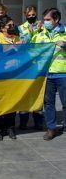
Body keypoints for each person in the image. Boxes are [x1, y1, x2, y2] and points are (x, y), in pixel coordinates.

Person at [30, 8, 66, 140]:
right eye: (44, 20)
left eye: (48, 20)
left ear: (56, 20)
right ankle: (51, 129)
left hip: (63, 73)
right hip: (46, 75)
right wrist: (34, 33)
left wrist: (65, 44)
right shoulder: (40, 33)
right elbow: (31, 48)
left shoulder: (65, 32)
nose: (45, 22)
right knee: (48, 103)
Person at [0, 16, 20, 140]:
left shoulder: (16, 38)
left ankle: (10, 127)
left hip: (14, 75)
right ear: (2, 28)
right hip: (0, 75)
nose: (12, 27)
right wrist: (15, 48)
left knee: (12, 102)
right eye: (9, 25)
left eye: (13, 25)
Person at [18, 6, 44, 130]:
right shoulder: (21, 28)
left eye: (33, 14)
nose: (31, 17)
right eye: (29, 15)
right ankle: (23, 121)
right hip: (26, 65)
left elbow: (44, 42)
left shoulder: (42, 26)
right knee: (26, 93)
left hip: (39, 64)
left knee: (39, 93)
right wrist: (32, 32)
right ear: (25, 15)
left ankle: (38, 121)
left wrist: (39, 30)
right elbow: (23, 43)